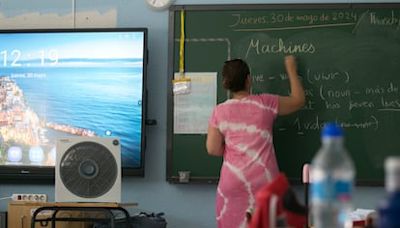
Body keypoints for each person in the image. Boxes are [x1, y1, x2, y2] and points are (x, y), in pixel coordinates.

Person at [206, 55, 305, 228]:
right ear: (248, 80)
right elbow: (298, 101)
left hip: (233, 181)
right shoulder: (265, 104)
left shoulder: (219, 111)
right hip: (265, 181)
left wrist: (232, 150)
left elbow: (212, 149)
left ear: (226, 83)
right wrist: (291, 69)